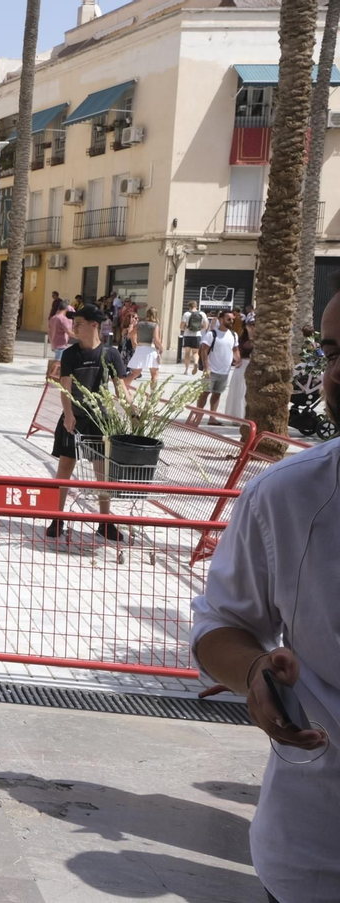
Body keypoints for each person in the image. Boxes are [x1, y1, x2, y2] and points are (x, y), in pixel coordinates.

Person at [190, 294, 339, 903]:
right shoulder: (287, 496)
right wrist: (253, 671)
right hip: (318, 852)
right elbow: (218, 626)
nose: (339, 373)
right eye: (333, 352)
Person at [44, 305, 129, 541]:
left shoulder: (110, 354)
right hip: (75, 418)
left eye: (79, 323)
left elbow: (120, 388)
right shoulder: (71, 353)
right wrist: (68, 414)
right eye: (74, 323)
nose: (74, 327)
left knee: (101, 474)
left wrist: (132, 409)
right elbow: (65, 387)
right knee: (65, 468)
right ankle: (57, 518)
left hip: (100, 421)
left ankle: (105, 522)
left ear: (94, 325)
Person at [199, 314, 241, 425]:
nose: (231, 321)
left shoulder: (233, 335)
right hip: (211, 370)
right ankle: (198, 415)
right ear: (221, 320)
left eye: (233, 319)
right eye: (229, 319)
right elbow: (204, 350)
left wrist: (238, 359)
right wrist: (206, 366)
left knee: (217, 394)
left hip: (225, 371)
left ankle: (212, 417)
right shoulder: (212, 334)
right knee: (205, 393)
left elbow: (235, 349)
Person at [224, 311, 253, 420]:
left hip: (254, 367)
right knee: (240, 392)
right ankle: (237, 416)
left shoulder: (261, 340)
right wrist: (236, 360)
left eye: (254, 325)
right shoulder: (241, 339)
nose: (253, 327)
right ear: (246, 326)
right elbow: (234, 350)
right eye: (251, 325)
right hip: (242, 367)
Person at [125, 308, 162, 388]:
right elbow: (156, 339)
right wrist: (161, 348)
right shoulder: (155, 325)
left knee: (135, 373)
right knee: (154, 374)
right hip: (150, 350)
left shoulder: (140, 324)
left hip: (140, 349)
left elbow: (130, 335)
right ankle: (153, 394)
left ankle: (122, 389)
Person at [47, 297, 73, 380]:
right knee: (57, 362)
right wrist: (80, 336)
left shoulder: (53, 318)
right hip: (61, 342)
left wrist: (51, 343)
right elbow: (69, 332)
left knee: (58, 361)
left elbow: (49, 331)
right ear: (66, 309)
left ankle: (51, 377)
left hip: (55, 342)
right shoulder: (63, 319)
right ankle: (50, 378)